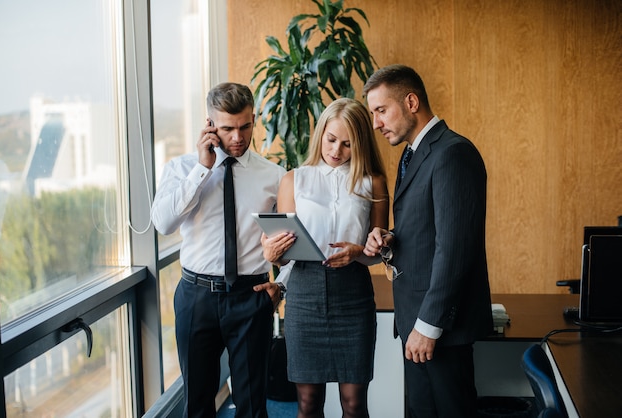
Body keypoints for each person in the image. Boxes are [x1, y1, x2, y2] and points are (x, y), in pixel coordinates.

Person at [362, 64, 493, 418]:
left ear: (411, 101)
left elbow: (455, 249)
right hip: (416, 323)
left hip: (438, 328)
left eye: (381, 110)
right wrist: (389, 239)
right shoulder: (413, 153)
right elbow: (428, 232)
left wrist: (428, 326)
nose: (376, 123)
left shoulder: (453, 153)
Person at [151, 82, 286, 418]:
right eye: (227, 128)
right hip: (196, 297)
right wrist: (202, 170)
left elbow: (291, 240)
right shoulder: (181, 169)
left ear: (254, 119)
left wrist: (281, 287)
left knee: (253, 405)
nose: (238, 137)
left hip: (250, 296)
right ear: (209, 125)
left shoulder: (274, 176)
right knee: (197, 402)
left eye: (245, 126)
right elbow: (163, 223)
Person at [257, 97, 389, 418]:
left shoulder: (373, 183)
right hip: (304, 297)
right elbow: (285, 255)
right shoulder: (293, 180)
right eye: (331, 140)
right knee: (308, 404)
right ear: (320, 135)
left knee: (355, 406)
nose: (336, 151)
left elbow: (379, 251)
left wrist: (361, 252)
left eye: (347, 144)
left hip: (353, 297)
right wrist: (273, 254)